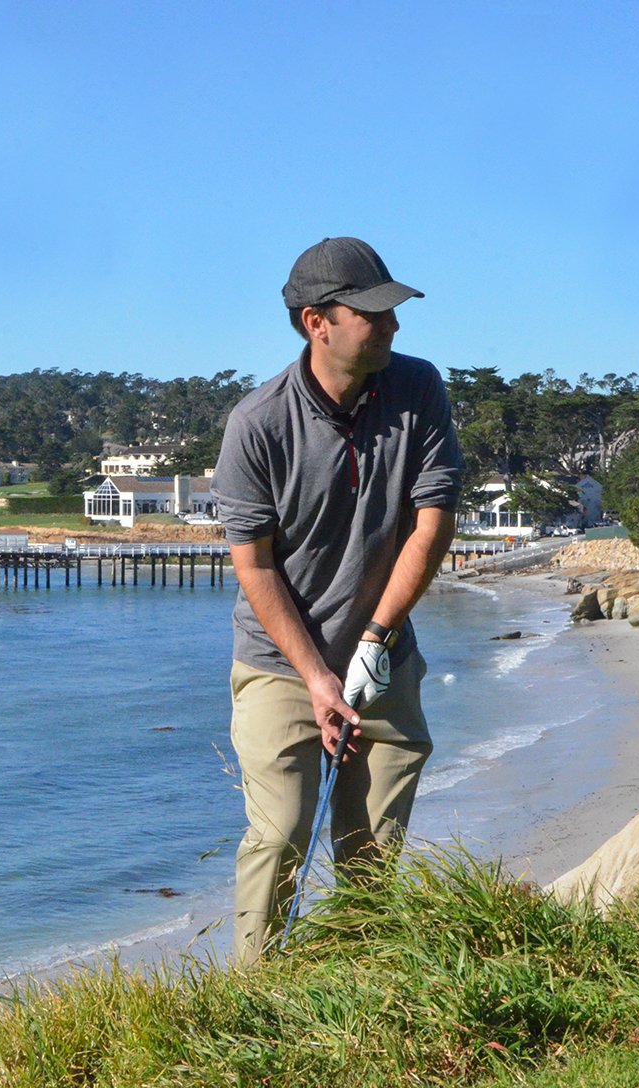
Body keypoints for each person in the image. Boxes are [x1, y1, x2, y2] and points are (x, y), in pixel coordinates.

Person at [212, 236, 464, 964]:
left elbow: (431, 519)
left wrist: (376, 637)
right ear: (314, 322)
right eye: (371, 313)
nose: (390, 326)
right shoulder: (256, 424)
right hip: (278, 663)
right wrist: (318, 678)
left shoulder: (417, 387)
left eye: (390, 312)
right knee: (281, 832)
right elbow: (255, 570)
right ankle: (256, 995)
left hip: (379, 653)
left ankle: (360, 982)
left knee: (370, 848)